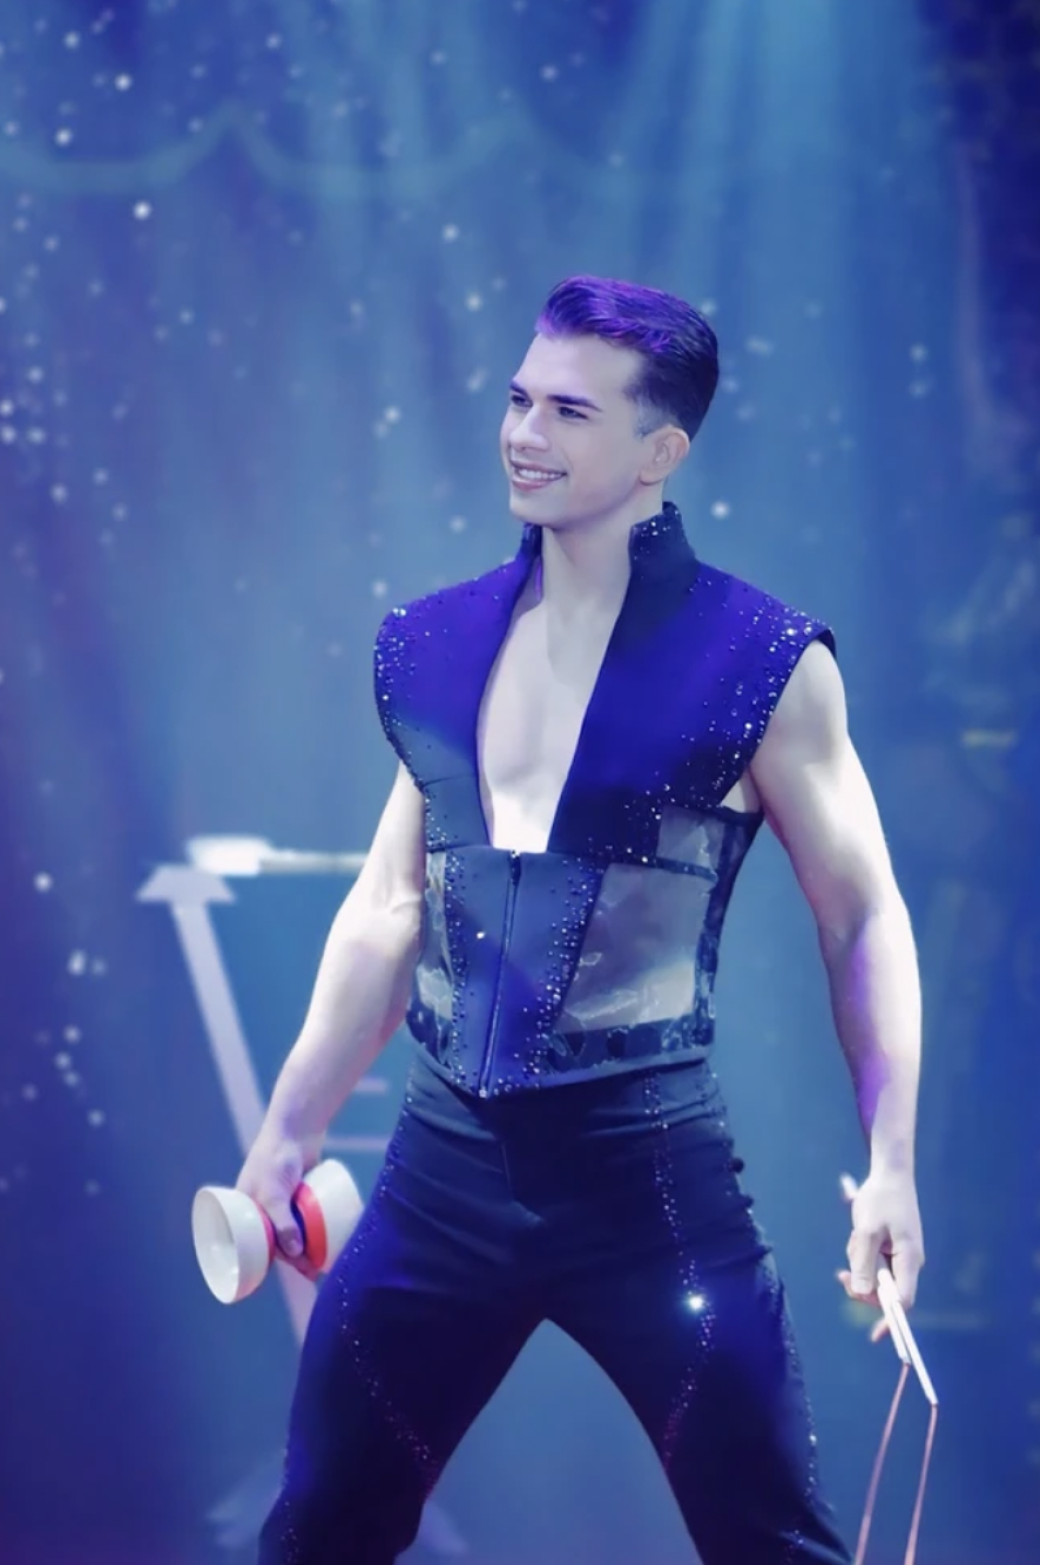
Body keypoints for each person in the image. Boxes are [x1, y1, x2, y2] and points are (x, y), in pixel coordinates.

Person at [240, 275, 924, 1564]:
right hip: (440, 1178)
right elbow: (388, 907)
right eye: (518, 399)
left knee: (773, 1542)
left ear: (661, 452)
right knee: (318, 1532)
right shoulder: (435, 643)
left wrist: (891, 1163)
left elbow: (862, 918)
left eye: (569, 411)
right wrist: (287, 1132)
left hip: (651, 1185)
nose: (524, 434)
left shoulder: (764, 660)